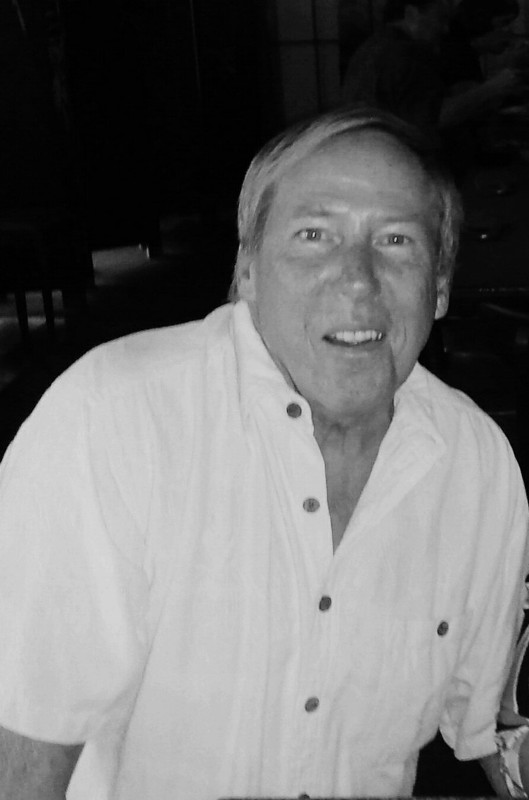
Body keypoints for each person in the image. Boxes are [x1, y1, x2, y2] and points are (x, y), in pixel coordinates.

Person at [0, 107, 528, 800]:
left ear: (439, 287)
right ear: (247, 270)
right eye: (314, 235)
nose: (358, 279)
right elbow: (25, 743)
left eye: (396, 241)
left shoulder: (475, 465)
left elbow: (496, 727)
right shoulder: (115, 419)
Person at [341, 0, 523, 133]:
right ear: (412, 13)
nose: (445, 29)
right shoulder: (407, 53)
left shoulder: (377, 44)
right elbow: (435, 118)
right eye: (441, 19)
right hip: (393, 153)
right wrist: (494, 87)